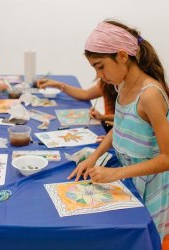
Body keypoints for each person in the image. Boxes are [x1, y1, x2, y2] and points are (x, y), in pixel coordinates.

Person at [68, 20, 169, 240]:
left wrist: (116, 173)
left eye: (100, 66)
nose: (99, 75)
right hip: (128, 177)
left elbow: (167, 158)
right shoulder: (121, 85)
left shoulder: (150, 95)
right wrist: (94, 157)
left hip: (147, 185)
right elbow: (119, 129)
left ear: (122, 56)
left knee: (142, 239)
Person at [37, 77, 117, 133]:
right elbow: (85, 94)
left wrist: (104, 117)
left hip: (116, 131)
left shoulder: (125, 86)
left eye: (101, 66)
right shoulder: (106, 82)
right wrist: (57, 85)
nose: (98, 75)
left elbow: (127, 117)